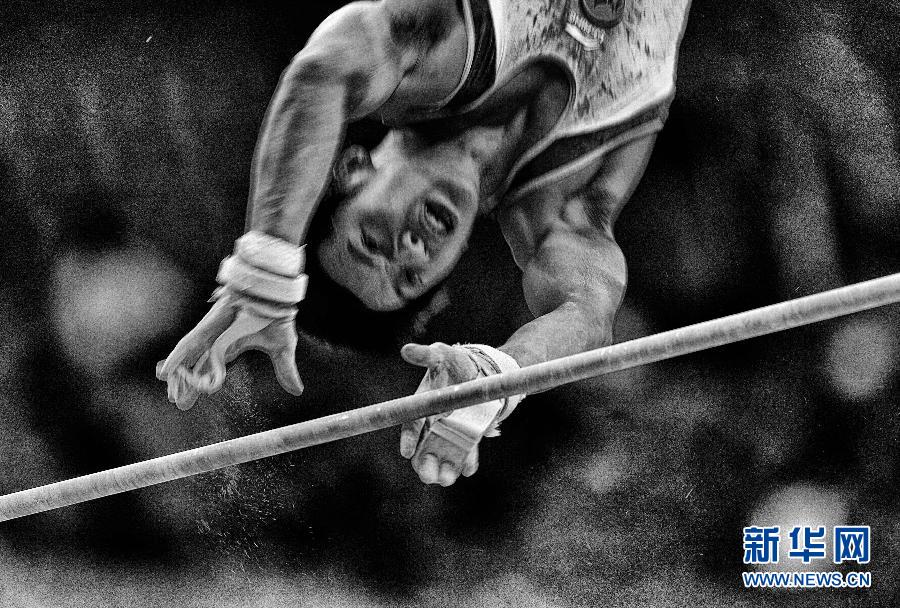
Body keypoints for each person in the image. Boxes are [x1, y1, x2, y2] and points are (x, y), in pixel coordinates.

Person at [156, 0, 691, 486]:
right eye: (410, 277)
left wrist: (267, 264)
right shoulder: (560, 201)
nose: (411, 250)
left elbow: (323, 71)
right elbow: (588, 310)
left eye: (372, 241)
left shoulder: (432, 53)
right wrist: (498, 375)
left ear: (353, 169)